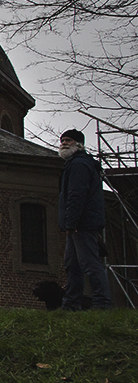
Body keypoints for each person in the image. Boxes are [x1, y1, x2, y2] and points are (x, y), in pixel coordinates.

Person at [58, 128, 111, 310]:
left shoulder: (79, 165)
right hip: (79, 223)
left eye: (68, 140)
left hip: (82, 224)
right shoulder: (77, 164)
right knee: (72, 265)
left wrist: (71, 223)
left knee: (90, 264)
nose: (64, 143)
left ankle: (102, 303)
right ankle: (71, 304)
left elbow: (76, 195)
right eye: (63, 140)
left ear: (78, 144)